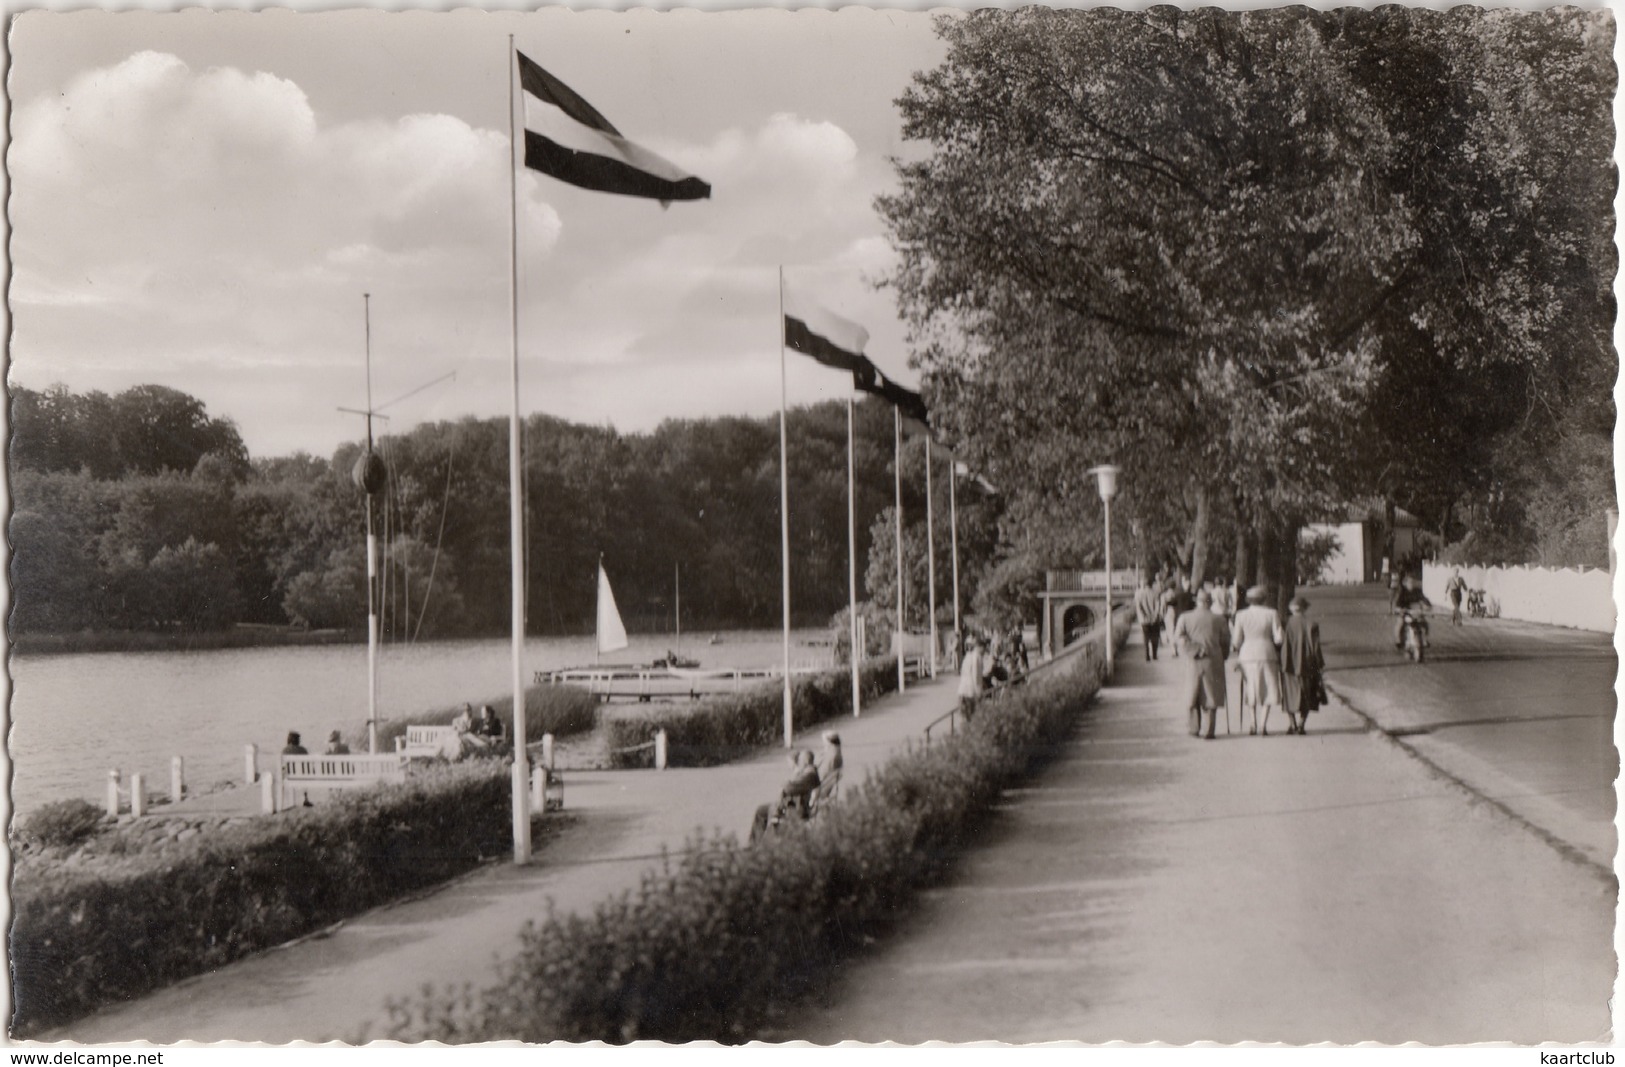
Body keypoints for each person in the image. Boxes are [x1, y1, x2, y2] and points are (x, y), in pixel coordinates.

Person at [1173, 590, 1230, 739]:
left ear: (1196, 601)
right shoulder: (1220, 619)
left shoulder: (1185, 618)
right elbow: (1225, 641)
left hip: (1191, 661)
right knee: (1211, 694)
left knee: (1192, 693)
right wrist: (1223, 655)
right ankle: (1209, 730)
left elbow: (1178, 637)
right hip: (1213, 659)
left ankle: (1194, 728)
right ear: (1210, 603)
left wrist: (1193, 649)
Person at [1231, 585, 1285, 736]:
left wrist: (1238, 646)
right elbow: (1279, 638)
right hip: (1267, 652)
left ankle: (1252, 723)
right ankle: (1263, 724)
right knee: (1267, 688)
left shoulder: (1241, 615)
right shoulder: (1272, 613)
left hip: (1247, 654)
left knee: (1251, 688)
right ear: (1264, 599)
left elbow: (1236, 641)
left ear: (1249, 600)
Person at [1279, 597, 1324, 735]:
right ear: (1304, 609)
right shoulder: (1312, 624)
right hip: (1307, 664)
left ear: (1291, 609)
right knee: (1307, 694)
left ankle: (1292, 723)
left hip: (1288, 664)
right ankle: (1301, 724)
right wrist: (1319, 664)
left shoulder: (1285, 623)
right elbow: (1316, 647)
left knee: (1289, 695)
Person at [1394, 574, 1431, 650]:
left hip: (1416, 612)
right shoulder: (1402, 592)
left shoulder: (1417, 591)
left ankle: (1424, 639)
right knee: (1400, 624)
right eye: (1410, 582)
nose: (1412, 584)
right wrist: (1399, 609)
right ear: (1405, 583)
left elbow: (1423, 598)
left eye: (1413, 582)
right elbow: (1397, 603)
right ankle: (1399, 640)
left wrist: (1428, 605)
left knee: (1425, 624)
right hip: (1405, 612)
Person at [958, 635, 990, 721]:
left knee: (965, 718)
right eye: (984, 648)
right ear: (980, 647)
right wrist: (979, 693)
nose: (984, 651)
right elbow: (976, 677)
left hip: (962, 691)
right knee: (972, 717)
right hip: (971, 692)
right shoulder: (977, 657)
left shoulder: (968, 656)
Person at [1134, 577, 1163, 661]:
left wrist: (1143, 616)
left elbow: (1139, 607)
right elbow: (1158, 606)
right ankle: (1154, 655)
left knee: (1146, 637)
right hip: (1154, 619)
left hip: (1144, 620)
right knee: (1155, 637)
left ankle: (1147, 655)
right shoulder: (1156, 593)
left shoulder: (1139, 594)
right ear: (1151, 585)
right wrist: (1155, 615)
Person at [815, 731, 844, 803]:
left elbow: (823, 773)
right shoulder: (836, 753)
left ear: (829, 743)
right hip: (829, 781)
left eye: (824, 742)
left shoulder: (830, 756)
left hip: (821, 785)